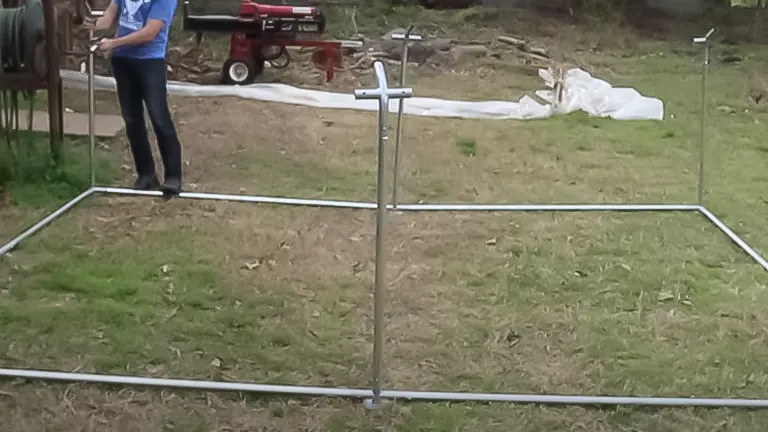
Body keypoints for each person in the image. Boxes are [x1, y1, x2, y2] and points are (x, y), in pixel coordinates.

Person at [87, 0, 183, 195]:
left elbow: (150, 33)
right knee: (132, 119)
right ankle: (146, 174)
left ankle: (173, 177)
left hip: (150, 62)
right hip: (122, 61)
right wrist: (89, 24)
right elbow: (109, 17)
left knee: (158, 116)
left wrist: (114, 43)